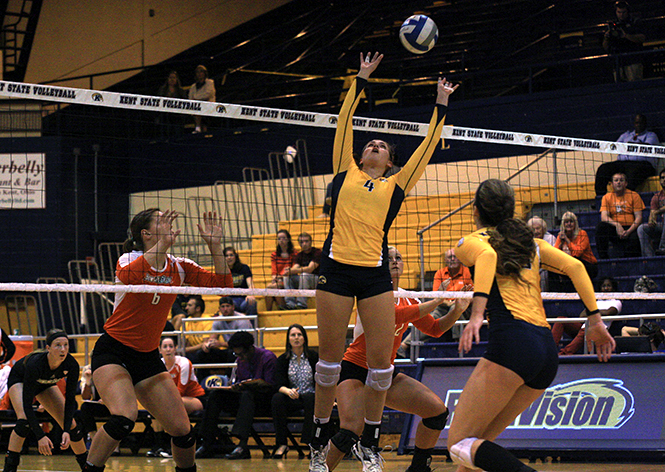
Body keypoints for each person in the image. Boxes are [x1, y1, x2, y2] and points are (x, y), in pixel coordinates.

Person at [308, 51, 457, 472]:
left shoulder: (397, 184)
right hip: (336, 269)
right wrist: (362, 78)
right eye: (369, 144)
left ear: (389, 161)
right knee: (330, 360)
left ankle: (370, 439)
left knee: (381, 365)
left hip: (374, 274)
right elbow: (344, 121)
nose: (374, 146)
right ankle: (319, 427)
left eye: (381, 147)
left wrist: (440, 104)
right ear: (360, 155)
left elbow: (427, 149)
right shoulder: (344, 171)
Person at [447, 179, 615, 472]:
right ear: (512, 210)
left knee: (458, 444)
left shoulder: (473, 242)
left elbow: (487, 256)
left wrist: (477, 313)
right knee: (475, 449)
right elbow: (576, 267)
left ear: (475, 210)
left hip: (512, 343)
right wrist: (596, 320)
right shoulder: (533, 245)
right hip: (545, 351)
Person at [82, 208, 232, 472]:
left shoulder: (179, 267)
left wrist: (216, 247)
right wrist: (161, 247)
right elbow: (130, 278)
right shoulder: (129, 259)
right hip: (113, 351)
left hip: (147, 356)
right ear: (146, 233)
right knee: (123, 419)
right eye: (161, 219)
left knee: (182, 430)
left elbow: (222, 286)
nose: (169, 222)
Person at [325, 246, 469, 472]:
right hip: (356, 370)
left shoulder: (408, 297)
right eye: (389, 258)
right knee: (350, 431)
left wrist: (457, 311)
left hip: (384, 373)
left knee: (437, 413)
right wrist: (436, 300)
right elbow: (396, 316)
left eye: (398, 258)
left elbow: (434, 328)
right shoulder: (369, 293)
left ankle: (419, 468)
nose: (394, 261)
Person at [2, 329, 88, 472]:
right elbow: (27, 405)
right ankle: (9, 468)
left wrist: (65, 430)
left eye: (66, 345)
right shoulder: (35, 363)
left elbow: (70, 401)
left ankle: (88, 467)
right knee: (24, 421)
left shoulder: (71, 364)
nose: (63, 349)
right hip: (20, 380)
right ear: (48, 348)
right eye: (58, 345)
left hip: (45, 383)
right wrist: (40, 436)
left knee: (72, 426)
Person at [195, 331, 276, 460]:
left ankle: (242, 444)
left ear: (250, 349)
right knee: (216, 395)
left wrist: (252, 386)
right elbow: (238, 382)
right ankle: (207, 442)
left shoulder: (268, 357)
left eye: (242, 354)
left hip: (263, 402)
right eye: (236, 354)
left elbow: (272, 386)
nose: (240, 357)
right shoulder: (239, 360)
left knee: (247, 395)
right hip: (244, 402)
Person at [399, 249, 472, 355]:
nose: (452, 259)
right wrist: (449, 302)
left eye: (454, 257)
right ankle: (405, 345)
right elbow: (437, 295)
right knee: (430, 318)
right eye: (449, 257)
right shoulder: (440, 273)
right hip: (443, 305)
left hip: (464, 306)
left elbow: (473, 294)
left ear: (460, 259)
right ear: (445, 260)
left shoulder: (467, 272)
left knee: (455, 309)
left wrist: (456, 303)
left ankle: (458, 344)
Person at [147, 337, 206, 458]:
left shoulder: (184, 363)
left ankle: (171, 446)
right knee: (158, 406)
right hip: (171, 401)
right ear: (160, 350)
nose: (168, 349)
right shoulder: (159, 365)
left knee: (168, 405)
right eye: (165, 347)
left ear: (175, 349)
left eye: (171, 346)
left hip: (194, 398)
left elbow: (181, 391)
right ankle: (159, 446)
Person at [271, 324, 318, 459]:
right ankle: (281, 444)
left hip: (310, 397)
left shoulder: (313, 357)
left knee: (310, 398)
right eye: (293, 335)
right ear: (288, 339)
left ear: (304, 338)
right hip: (292, 396)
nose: (296, 338)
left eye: (299, 334)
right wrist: (288, 391)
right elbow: (278, 384)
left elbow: (320, 381)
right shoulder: (282, 359)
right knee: (277, 399)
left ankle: (311, 444)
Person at [553, 277, 623, 355]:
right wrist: (596, 313)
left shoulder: (616, 302)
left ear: (613, 288)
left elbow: (609, 312)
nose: (606, 288)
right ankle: (550, 350)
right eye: (604, 286)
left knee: (587, 329)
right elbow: (582, 316)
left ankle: (563, 354)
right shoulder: (596, 301)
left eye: (608, 286)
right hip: (584, 326)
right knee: (560, 320)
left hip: (598, 330)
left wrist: (591, 312)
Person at [595, 114, 660, 196]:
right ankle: (600, 200)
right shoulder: (626, 135)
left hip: (643, 165)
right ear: (634, 124)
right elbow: (616, 146)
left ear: (645, 124)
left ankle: (625, 200)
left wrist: (629, 145)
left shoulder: (651, 135)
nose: (639, 125)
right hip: (623, 163)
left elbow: (645, 146)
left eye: (641, 123)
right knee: (603, 169)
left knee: (632, 174)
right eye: (637, 123)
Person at [193, 296, 254, 381]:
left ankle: (228, 381)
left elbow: (242, 344)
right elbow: (212, 337)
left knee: (232, 354)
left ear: (233, 307)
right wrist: (208, 345)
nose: (225, 309)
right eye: (223, 307)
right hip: (229, 349)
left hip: (244, 351)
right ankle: (203, 382)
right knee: (201, 354)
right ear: (219, 309)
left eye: (228, 306)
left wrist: (221, 344)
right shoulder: (218, 320)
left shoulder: (241, 319)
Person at [595, 172, 644, 258]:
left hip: (631, 228)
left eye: (621, 180)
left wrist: (628, 231)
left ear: (626, 183)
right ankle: (604, 259)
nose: (618, 182)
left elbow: (639, 218)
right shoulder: (606, 197)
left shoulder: (634, 195)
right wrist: (617, 225)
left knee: (635, 238)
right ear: (612, 184)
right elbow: (604, 217)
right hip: (615, 229)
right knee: (601, 227)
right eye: (616, 180)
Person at [550, 211, 598, 292]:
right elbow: (555, 254)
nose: (569, 224)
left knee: (574, 261)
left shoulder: (582, 234)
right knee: (551, 267)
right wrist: (561, 244)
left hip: (588, 266)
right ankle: (557, 293)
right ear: (563, 224)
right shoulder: (560, 236)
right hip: (571, 266)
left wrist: (567, 240)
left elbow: (577, 253)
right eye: (566, 222)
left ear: (575, 223)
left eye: (571, 221)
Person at [602, 1, 646, 82]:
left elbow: (642, 38)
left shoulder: (634, 22)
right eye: (619, 12)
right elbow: (605, 47)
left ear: (627, 11)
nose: (621, 15)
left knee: (635, 85)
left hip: (633, 60)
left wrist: (626, 35)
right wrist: (606, 37)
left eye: (623, 12)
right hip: (618, 62)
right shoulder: (612, 25)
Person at [284, 232, 322, 309]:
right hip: (304, 280)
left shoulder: (317, 252)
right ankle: (290, 303)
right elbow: (295, 268)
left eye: (306, 241)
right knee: (287, 277)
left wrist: (292, 270)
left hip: (318, 281)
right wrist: (288, 271)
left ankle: (301, 304)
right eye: (301, 242)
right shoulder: (299, 255)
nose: (304, 244)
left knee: (304, 275)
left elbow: (310, 269)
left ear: (311, 242)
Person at [173, 296, 216, 361]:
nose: (186, 308)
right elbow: (183, 342)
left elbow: (205, 343)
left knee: (200, 354)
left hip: (207, 351)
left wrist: (185, 349)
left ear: (198, 308)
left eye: (189, 305)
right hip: (193, 351)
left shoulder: (207, 320)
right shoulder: (187, 321)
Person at [265, 229, 298, 311]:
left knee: (270, 287)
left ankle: (280, 308)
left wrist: (280, 277)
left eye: (283, 238)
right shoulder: (274, 254)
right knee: (271, 288)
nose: (281, 240)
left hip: (290, 281)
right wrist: (275, 278)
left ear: (288, 239)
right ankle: (275, 310)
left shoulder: (295, 253)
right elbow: (274, 272)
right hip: (279, 281)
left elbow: (292, 270)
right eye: (279, 238)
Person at [637, 169, 665, 257]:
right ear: (660, 181)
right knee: (642, 229)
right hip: (663, 226)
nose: (664, 180)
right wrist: (651, 221)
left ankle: (663, 248)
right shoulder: (656, 197)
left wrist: (657, 211)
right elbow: (652, 213)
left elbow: (655, 212)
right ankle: (650, 258)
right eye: (662, 178)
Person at [223, 246, 258, 315]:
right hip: (231, 301)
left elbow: (250, 284)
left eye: (231, 255)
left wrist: (250, 294)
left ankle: (252, 325)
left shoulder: (244, 268)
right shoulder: (223, 271)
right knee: (226, 305)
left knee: (252, 302)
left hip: (244, 299)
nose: (229, 257)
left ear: (235, 256)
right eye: (226, 256)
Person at [526, 216, 556, 292]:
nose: (536, 231)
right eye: (533, 229)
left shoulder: (550, 238)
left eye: (538, 228)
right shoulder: (528, 241)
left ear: (543, 228)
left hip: (548, 269)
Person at [188, 65, 216, 134]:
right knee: (196, 108)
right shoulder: (193, 86)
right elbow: (190, 97)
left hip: (208, 105)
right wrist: (197, 99)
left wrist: (196, 98)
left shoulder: (210, 83)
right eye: (197, 72)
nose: (199, 74)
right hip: (197, 106)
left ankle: (199, 128)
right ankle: (198, 128)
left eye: (201, 72)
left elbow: (207, 95)